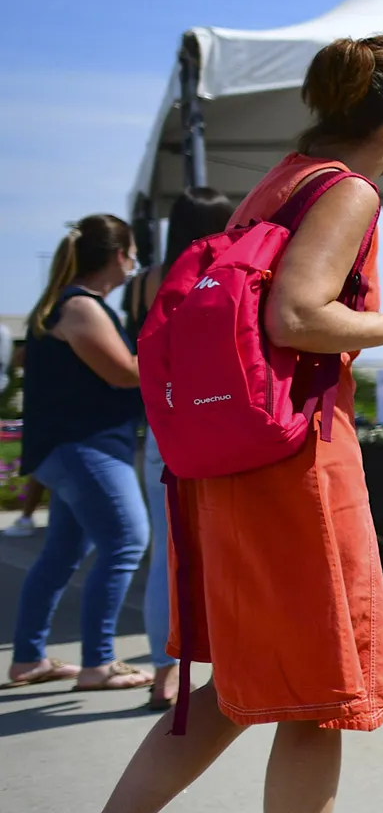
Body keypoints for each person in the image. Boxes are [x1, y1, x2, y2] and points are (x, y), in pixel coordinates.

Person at [9, 34, 383, 813]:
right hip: (296, 462)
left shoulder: (283, 181)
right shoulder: (349, 189)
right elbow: (298, 316)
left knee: (232, 691)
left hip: (232, 460)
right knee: (317, 695)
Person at [6, 216, 152, 693]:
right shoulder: (83, 307)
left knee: (64, 551)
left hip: (71, 448)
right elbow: (124, 373)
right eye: (131, 253)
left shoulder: (67, 304)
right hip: (85, 447)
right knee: (127, 541)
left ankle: (28, 659)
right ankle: (99, 664)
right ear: (118, 256)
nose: (134, 263)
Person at [123, 187, 237, 710]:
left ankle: (165, 670)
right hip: (214, 421)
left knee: (165, 556)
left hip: (160, 426)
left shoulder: (146, 281)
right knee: (222, 543)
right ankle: (226, 657)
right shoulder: (223, 268)